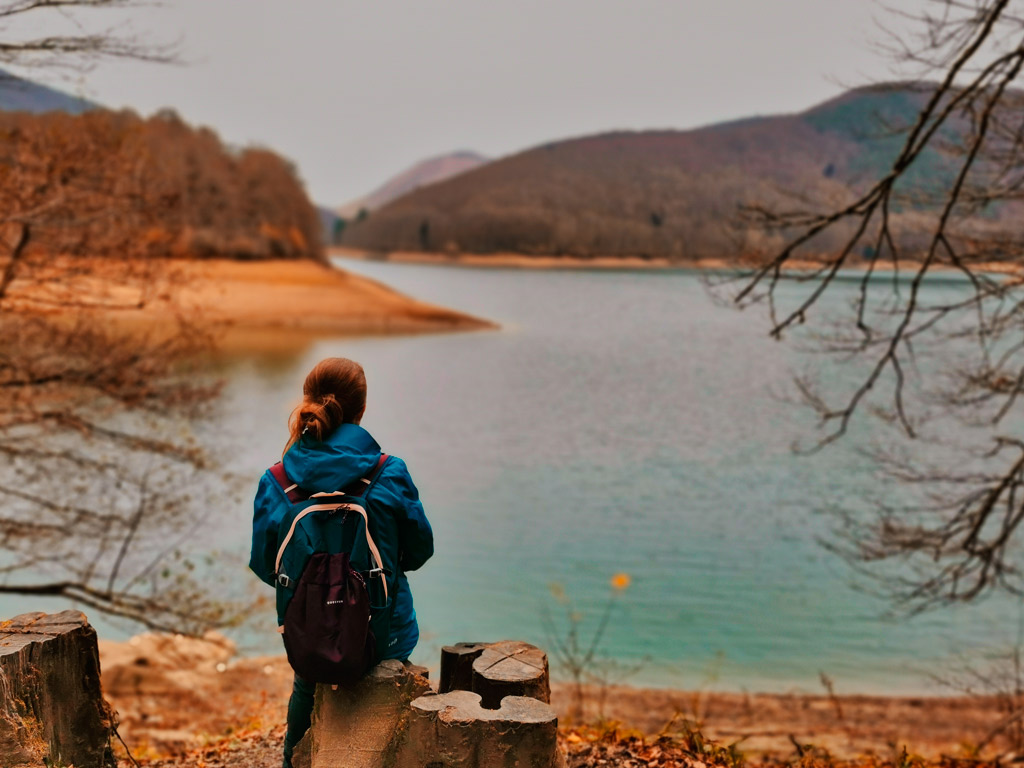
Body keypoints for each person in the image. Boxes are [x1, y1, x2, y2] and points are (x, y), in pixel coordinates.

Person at [249, 357, 434, 767]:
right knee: (390, 665)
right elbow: (420, 552)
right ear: (361, 410)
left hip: (310, 639)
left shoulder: (276, 481)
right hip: (385, 636)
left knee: (306, 687)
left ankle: (292, 762)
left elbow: (266, 567)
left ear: (308, 402)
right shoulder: (390, 472)